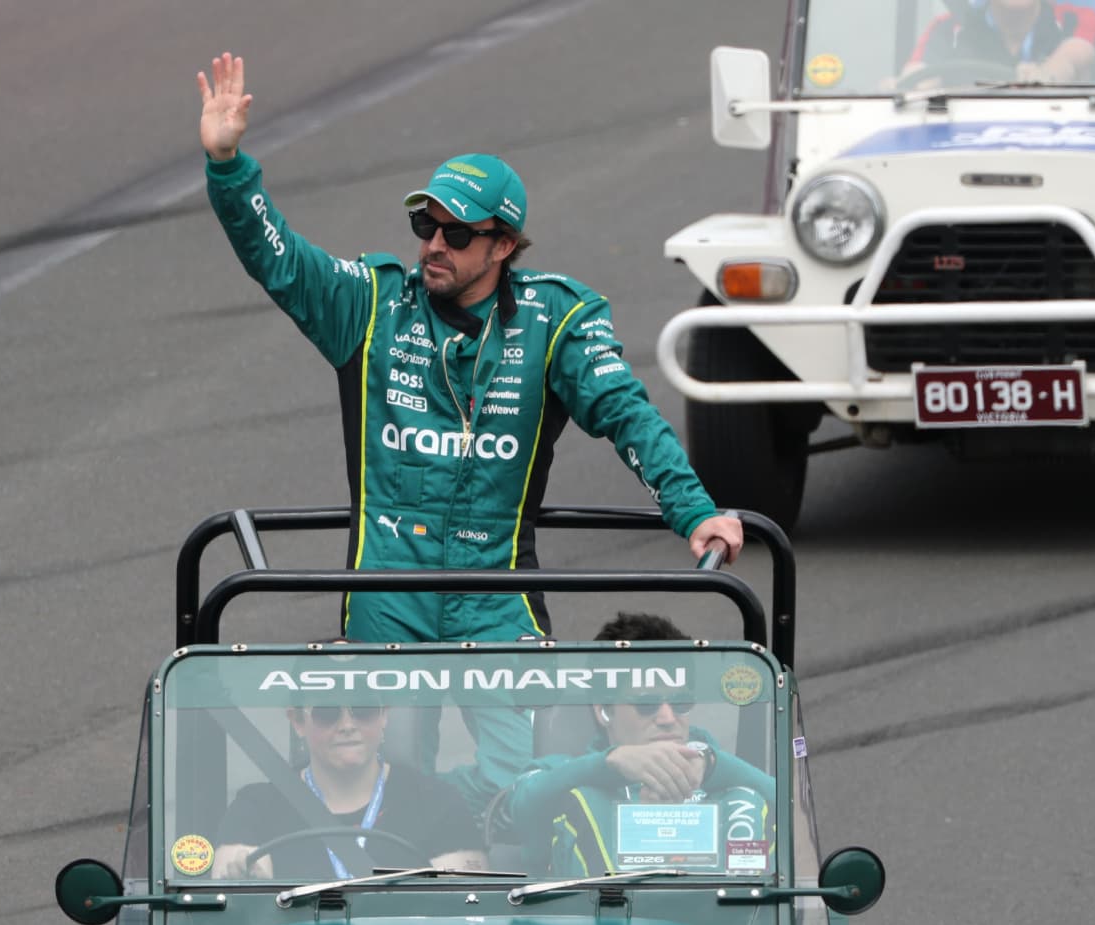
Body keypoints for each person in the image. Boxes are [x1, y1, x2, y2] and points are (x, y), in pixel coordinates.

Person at [195, 51, 744, 650]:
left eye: (456, 234)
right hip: (385, 608)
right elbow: (279, 260)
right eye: (424, 226)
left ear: (503, 244)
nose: (433, 245)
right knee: (374, 747)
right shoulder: (371, 304)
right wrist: (228, 165)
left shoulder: (557, 318)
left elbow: (627, 414)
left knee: (521, 749)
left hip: (498, 606)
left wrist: (695, 510)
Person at [501, 613, 776, 877]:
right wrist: (609, 764)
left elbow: (792, 812)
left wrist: (712, 765)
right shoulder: (567, 775)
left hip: (725, 922)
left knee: (744, 798)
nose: (668, 718)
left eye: (681, 703)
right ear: (603, 711)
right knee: (585, 799)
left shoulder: (723, 776)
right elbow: (519, 804)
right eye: (647, 704)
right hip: (602, 920)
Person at [212, 703, 487, 880]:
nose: (347, 725)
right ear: (297, 721)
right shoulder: (257, 806)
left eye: (363, 710)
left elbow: (465, 903)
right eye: (327, 713)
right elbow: (229, 879)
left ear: (384, 715)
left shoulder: (438, 802)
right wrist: (246, 874)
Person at [902, 0, 1095, 85]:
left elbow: (1075, 55)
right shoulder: (947, 29)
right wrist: (903, 88)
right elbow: (916, 76)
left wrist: (1047, 74)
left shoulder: (1074, 20)